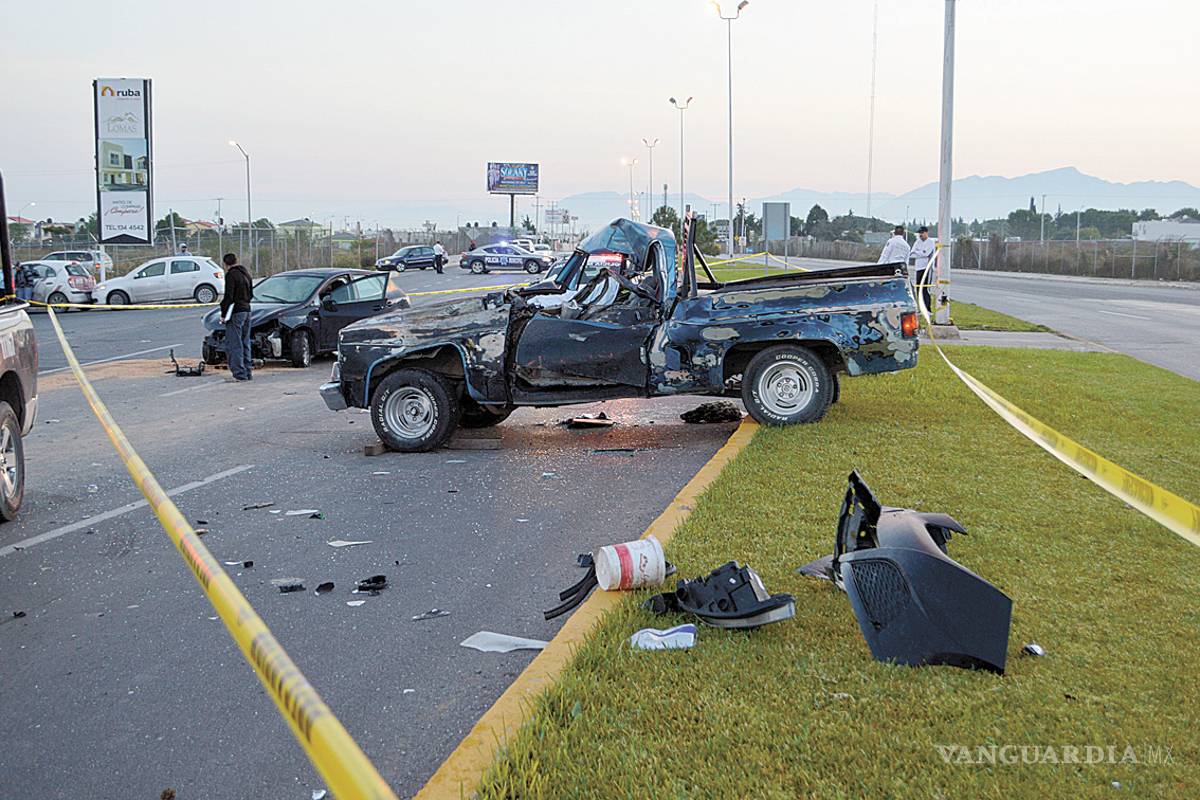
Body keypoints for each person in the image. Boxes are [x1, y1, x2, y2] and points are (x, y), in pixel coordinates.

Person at [220, 253, 254, 381]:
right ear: (236, 260)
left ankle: (239, 373)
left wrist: (223, 314)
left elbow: (229, 296)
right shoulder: (246, 273)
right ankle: (247, 372)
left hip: (236, 312)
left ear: (225, 264)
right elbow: (251, 294)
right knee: (245, 342)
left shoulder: (231, 275)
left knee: (235, 343)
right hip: (247, 310)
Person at [909, 226, 936, 312]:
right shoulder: (917, 242)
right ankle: (920, 308)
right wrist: (921, 253)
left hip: (927, 268)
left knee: (925, 289)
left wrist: (918, 253)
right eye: (919, 233)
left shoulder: (930, 242)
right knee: (918, 289)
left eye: (922, 233)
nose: (920, 235)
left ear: (926, 232)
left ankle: (928, 309)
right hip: (918, 268)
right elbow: (911, 254)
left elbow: (926, 254)